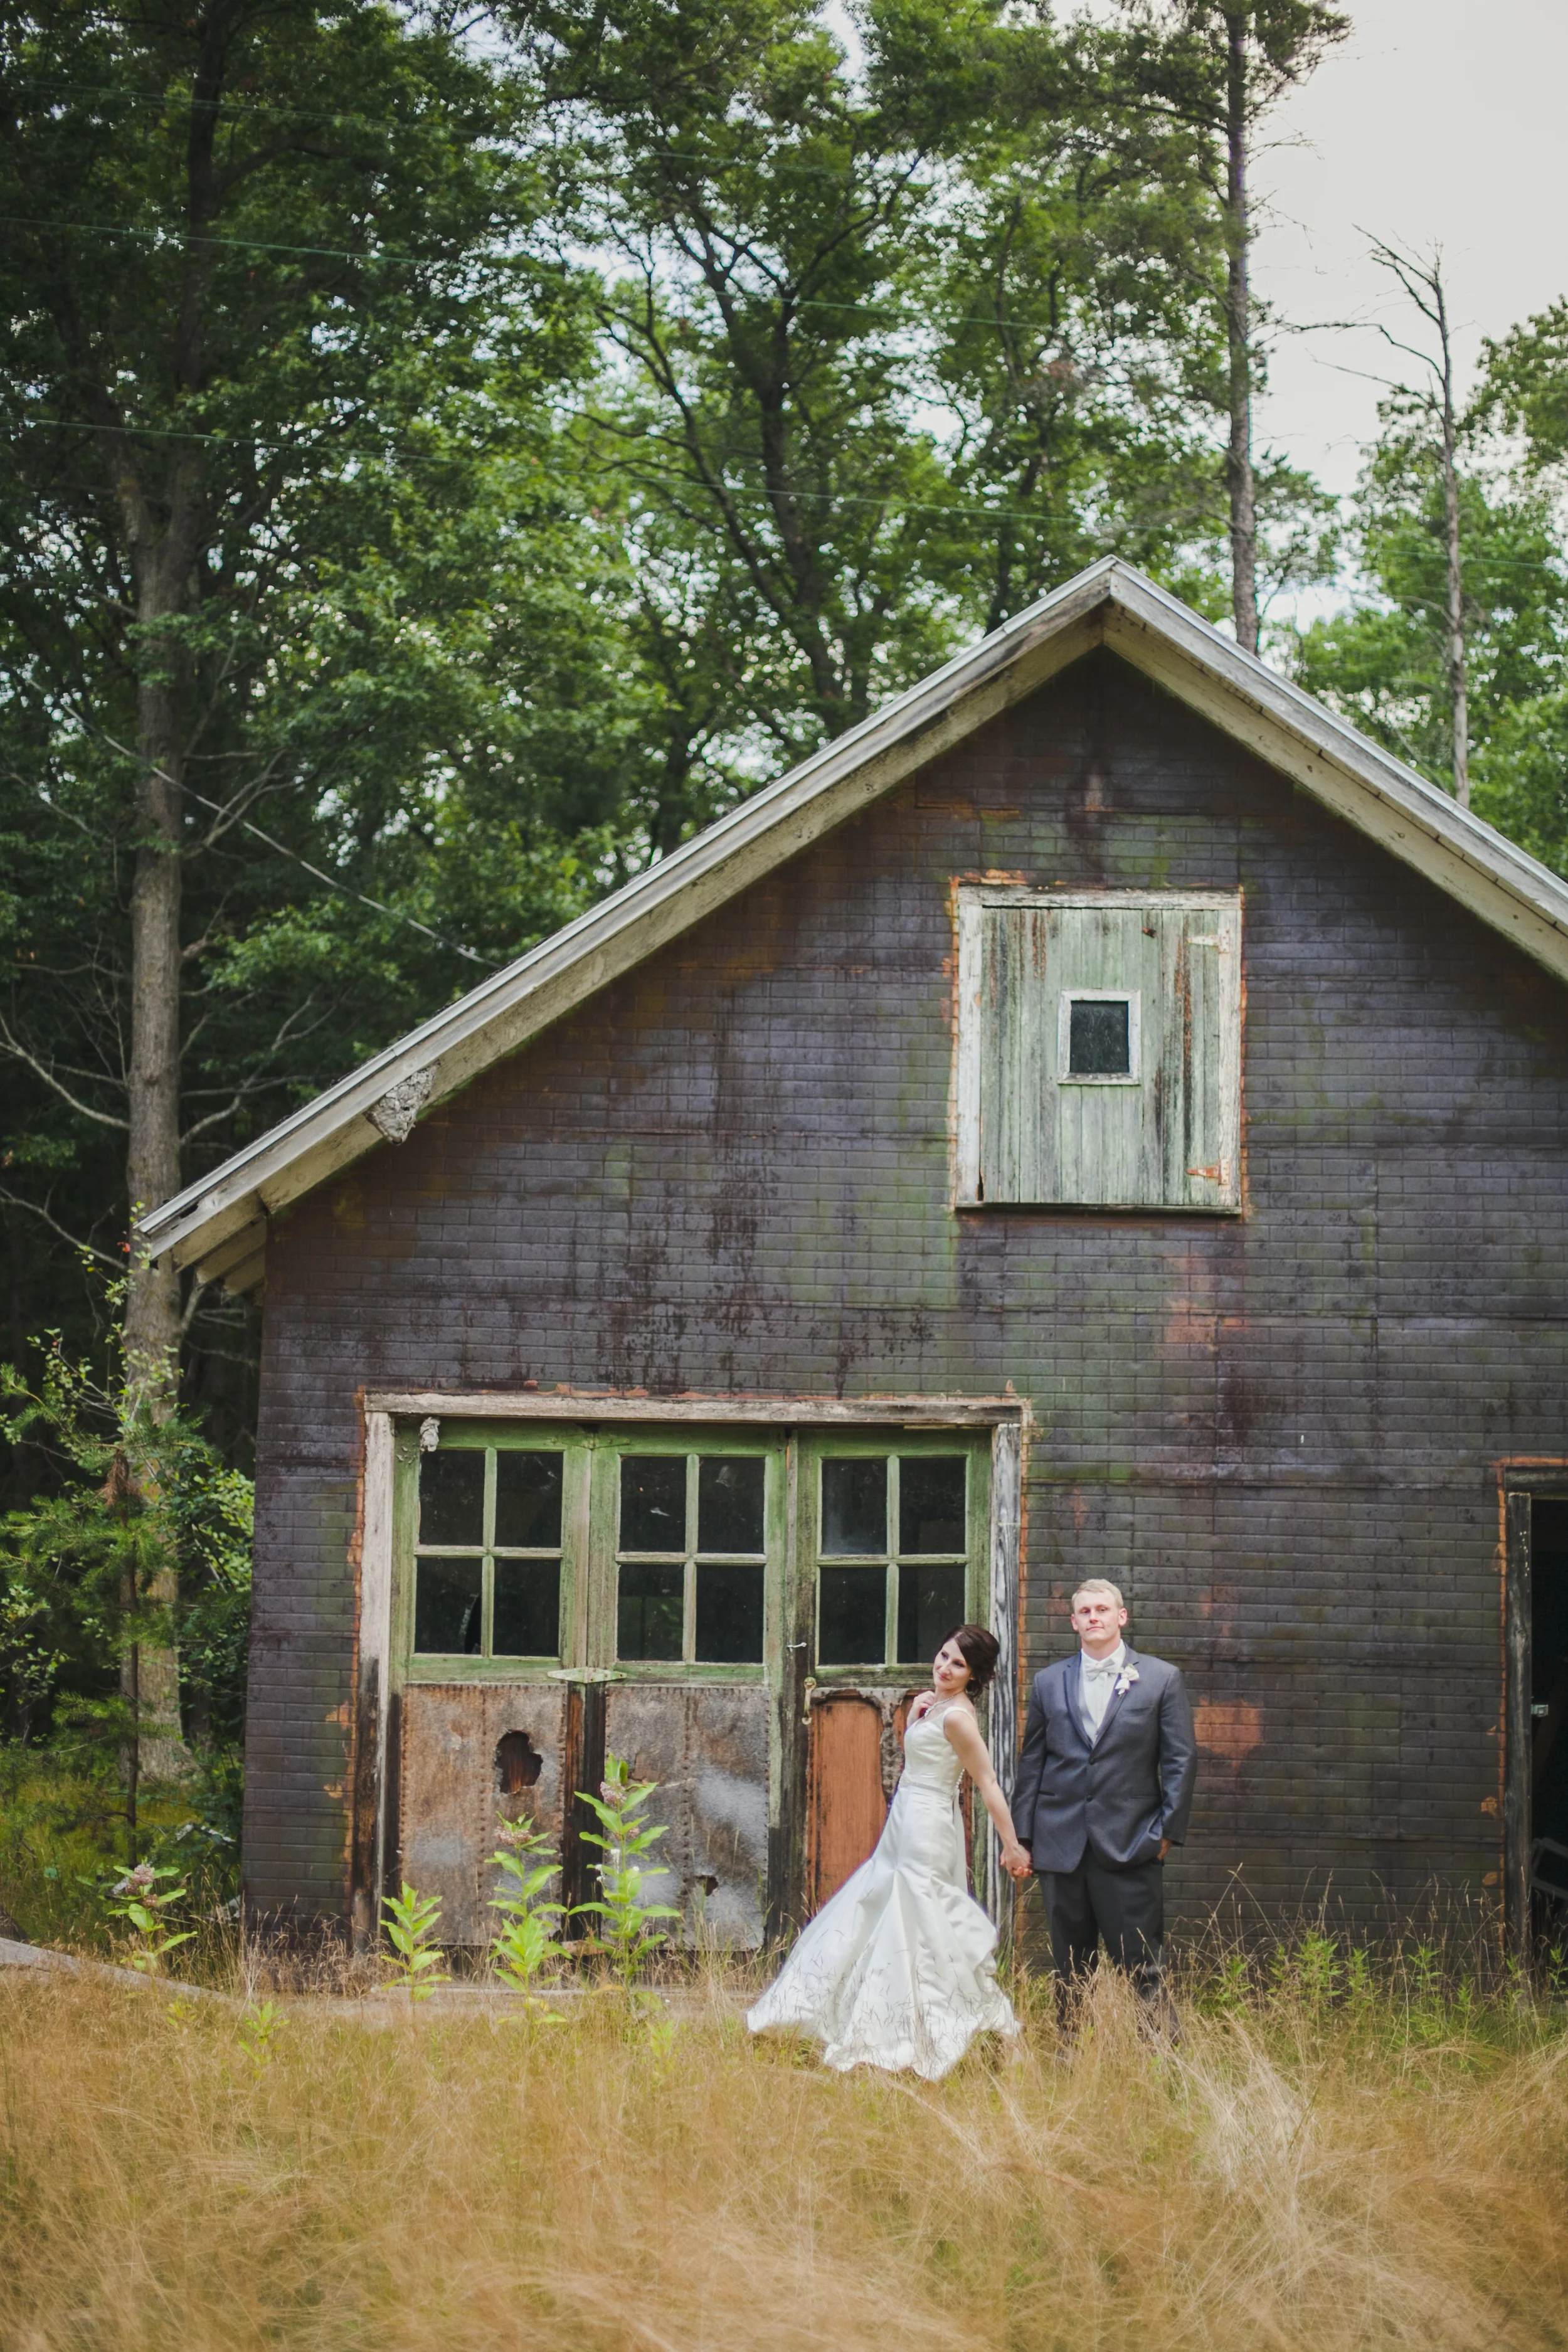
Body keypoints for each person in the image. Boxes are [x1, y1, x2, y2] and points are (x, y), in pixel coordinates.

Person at [747, 1624, 1032, 2079]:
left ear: (973, 1675)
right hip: (905, 1819)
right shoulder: (933, 1704)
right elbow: (920, 1758)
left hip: (929, 1826)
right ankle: (891, 2017)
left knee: (920, 1918)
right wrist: (916, 1719)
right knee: (888, 1909)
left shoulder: (958, 1717)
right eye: (943, 1656)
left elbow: (988, 1782)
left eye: (958, 1664)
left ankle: (932, 2026)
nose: (944, 1668)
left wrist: (1012, 1845)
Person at [1008, 1579, 1196, 2025]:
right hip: (1061, 1844)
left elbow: (1180, 1760)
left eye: (1103, 1610)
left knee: (1142, 1966)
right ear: (1073, 1622)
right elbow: (1032, 1761)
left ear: (1121, 1617)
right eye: (1085, 1611)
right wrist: (1023, 1836)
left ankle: (1162, 2064)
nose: (1094, 1617)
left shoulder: (1161, 1678)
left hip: (1131, 1842)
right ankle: (1070, 2061)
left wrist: (1167, 1832)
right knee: (1070, 1969)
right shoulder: (1049, 1681)